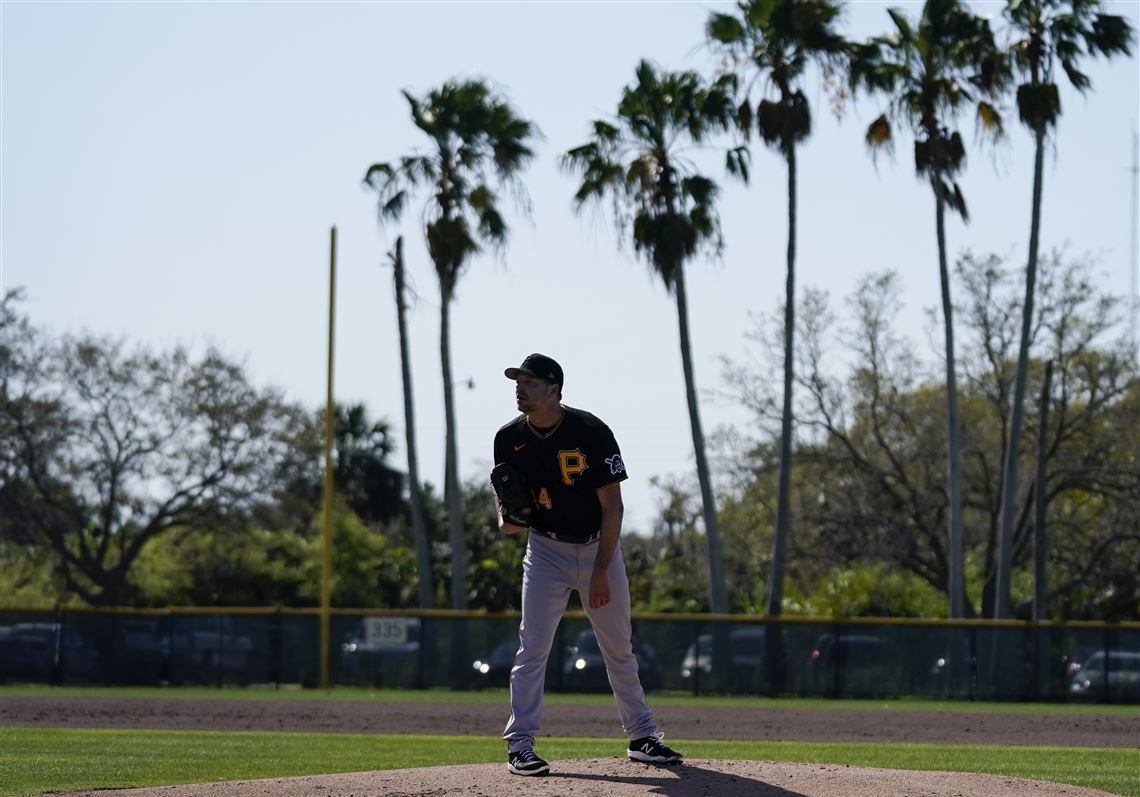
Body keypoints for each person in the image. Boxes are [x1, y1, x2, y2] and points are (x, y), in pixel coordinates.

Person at [492, 352, 682, 777]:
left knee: (619, 648)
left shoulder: (591, 430)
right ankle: (520, 745)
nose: (520, 388)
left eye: (530, 382)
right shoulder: (507, 438)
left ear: (554, 389)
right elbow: (505, 503)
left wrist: (599, 571)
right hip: (544, 550)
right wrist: (505, 515)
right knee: (532, 648)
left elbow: (613, 508)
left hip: (599, 547)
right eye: (517, 382)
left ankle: (641, 736)